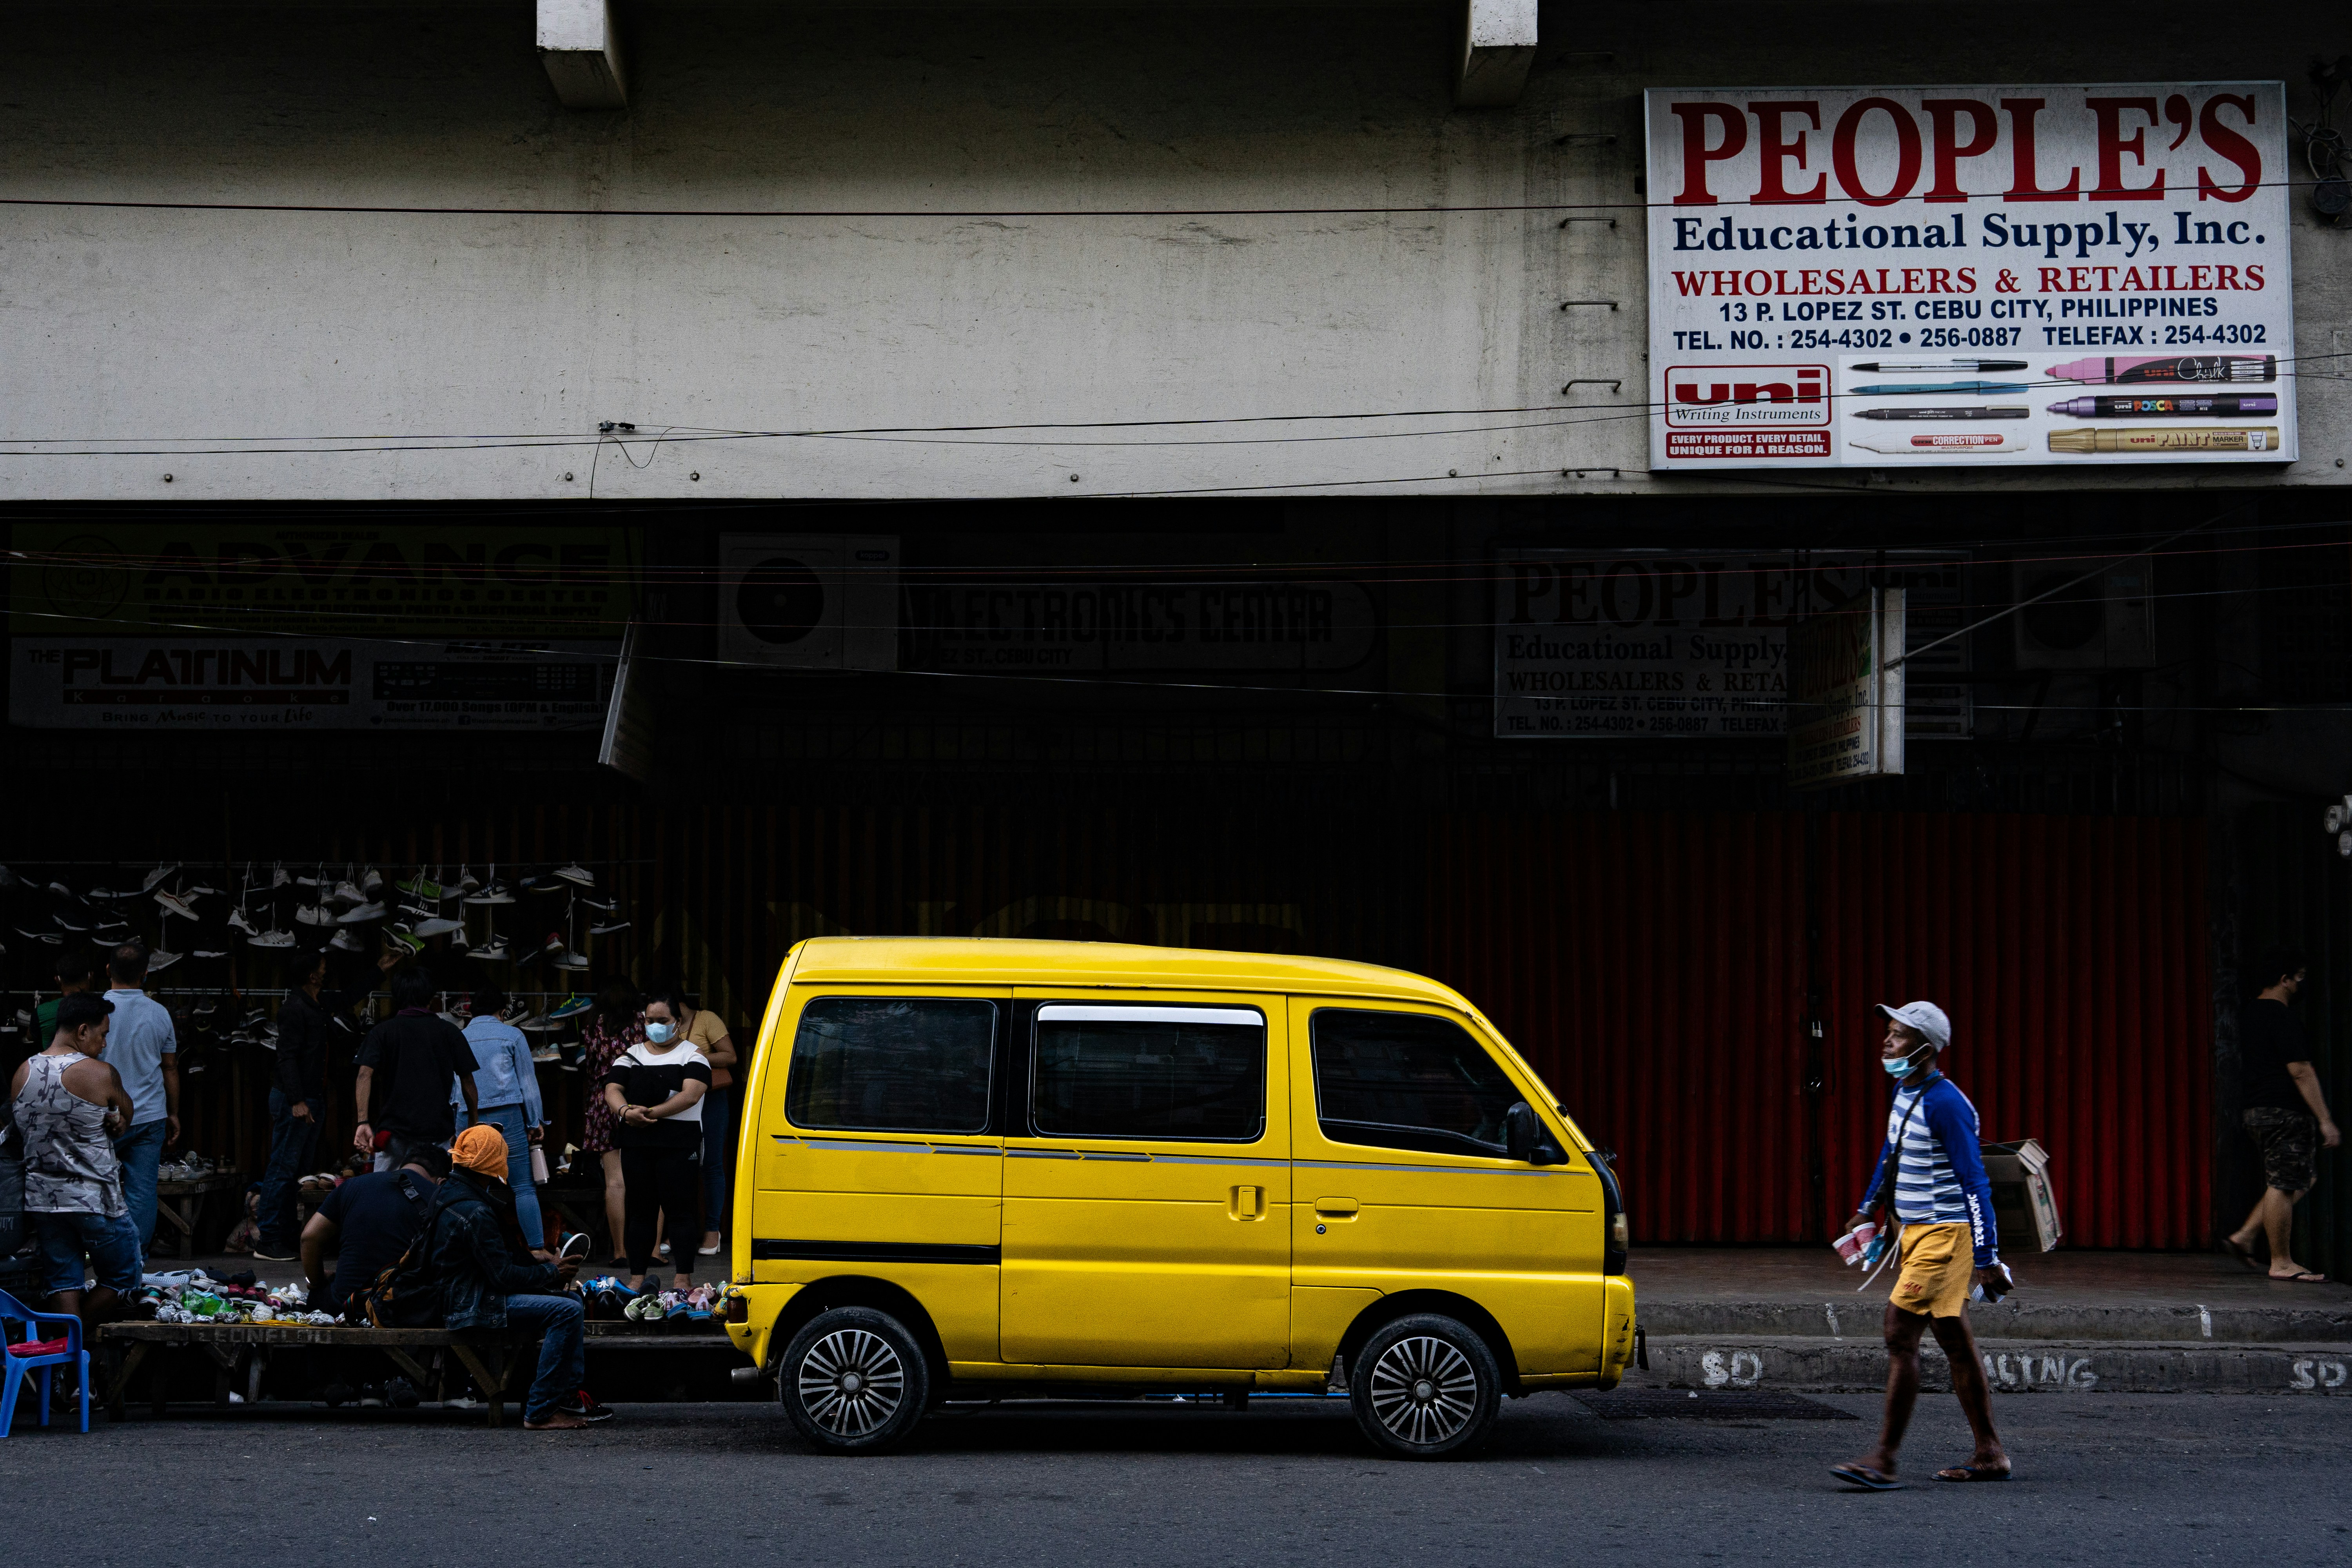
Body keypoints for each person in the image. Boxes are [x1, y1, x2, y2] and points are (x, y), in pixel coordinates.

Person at [1831, 1001, 2011, 1490]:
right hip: (1913, 1234)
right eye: (1888, 1033)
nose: (1887, 1042)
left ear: (1926, 1049)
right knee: (1954, 1342)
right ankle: (1990, 1452)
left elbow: (1975, 1184)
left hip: (1945, 1235)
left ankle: (1884, 1459)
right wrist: (1869, 1206)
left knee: (1899, 1330)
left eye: (1899, 1035)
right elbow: (1891, 1155)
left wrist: (1988, 1257)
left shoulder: (1947, 1103)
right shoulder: (1904, 1090)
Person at [417, 1124, 591, 1430]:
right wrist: (552, 1271)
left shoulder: (449, 1192)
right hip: (471, 1303)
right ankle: (540, 1411)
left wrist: (538, 1263)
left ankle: (566, 1395)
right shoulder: (476, 1211)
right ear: (493, 1167)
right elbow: (503, 1278)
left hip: (461, 1292)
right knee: (567, 1310)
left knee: (572, 1299)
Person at [10, 993, 142, 1325]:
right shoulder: (100, 1074)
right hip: (95, 1201)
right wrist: (118, 1120)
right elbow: (127, 1114)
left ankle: (65, 1361)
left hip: (43, 1201)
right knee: (125, 1275)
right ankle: (74, 1344)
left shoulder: (22, 1073)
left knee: (63, 1280)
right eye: (103, 1035)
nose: (104, 1044)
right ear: (83, 1031)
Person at [256, 948, 392, 1261]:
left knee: (297, 1171)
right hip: (297, 1100)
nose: (326, 971)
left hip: (308, 1098)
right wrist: (298, 1101)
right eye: (322, 967)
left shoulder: (315, 1003)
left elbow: (347, 997)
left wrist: (380, 967)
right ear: (312, 976)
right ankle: (268, 1239)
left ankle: (287, 1235)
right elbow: (287, 1056)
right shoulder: (295, 1009)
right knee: (283, 1168)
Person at [2223, 948, 2341, 1282]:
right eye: (2299, 979)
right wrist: (2326, 1120)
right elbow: (2301, 1071)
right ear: (2283, 979)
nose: (2301, 986)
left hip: (2257, 1110)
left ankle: (2245, 1236)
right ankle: (2282, 1262)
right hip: (2284, 1110)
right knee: (2284, 1183)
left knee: (2301, 1179)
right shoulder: (2280, 1015)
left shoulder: (2250, 1015)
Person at [601, 1012, 710, 1293]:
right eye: (650, 1019)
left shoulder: (694, 1055)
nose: (655, 1025)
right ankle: (637, 1279)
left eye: (662, 1018)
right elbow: (612, 1088)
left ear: (678, 1022)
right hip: (637, 1144)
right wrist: (625, 1111)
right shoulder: (631, 1054)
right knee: (641, 1212)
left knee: (680, 1212)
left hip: (679, 1144)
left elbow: (691, 1094)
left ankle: (683, 1279)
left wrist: (648, 1114)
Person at [302, 1139, 450, 1318]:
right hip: (400, 1309)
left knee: (318, 1296)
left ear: (404, 1166)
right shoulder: (439, 1196)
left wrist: (318, 1281)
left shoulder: (352, 1186)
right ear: (441, 1180)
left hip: (346, 1304)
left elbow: (309, 1238)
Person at [353, 964, 480, 1171]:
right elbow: (468, 1080)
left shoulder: (381, 1032)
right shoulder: (449, 1032)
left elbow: (364, 1075)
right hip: (436, 1132)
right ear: (431, 997)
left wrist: (362, 1122)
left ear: (397, 997)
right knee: (432, 1195)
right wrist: (474, 1121)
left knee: (386, 1194)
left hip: (394, 1132)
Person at [646, 986, 740, 1259]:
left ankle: (713, 1231)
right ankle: (677, 1233)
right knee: (678, 1165)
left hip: (710, 1100)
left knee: (710, 1164)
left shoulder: (706, 1019)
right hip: (676, 1100)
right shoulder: (662, 1027)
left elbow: (730, 1056)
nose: (658, 1020)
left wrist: (692, 1056)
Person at [101, 940, 179, 1269]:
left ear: (108, 971)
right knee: (142, 1190)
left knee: (95, 1184)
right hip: (149, 1114)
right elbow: (170, 1068)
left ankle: (101, 1255)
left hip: (104, 1114)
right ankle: (136, 1259)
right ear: (146, 974)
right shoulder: (159, 1013)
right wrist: (174, 1113)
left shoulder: (94, 1009)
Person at [458, 986, 547, 1250]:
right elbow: (528, 1084)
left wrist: (457, 1128)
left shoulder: (460, 1037)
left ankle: (476, 1251)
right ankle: (538, 1249)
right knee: (523, 1187)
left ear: (471, 1011)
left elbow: (455, 1089)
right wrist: (535, 1121)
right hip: (507, 1116)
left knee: (473, 1188)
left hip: (468, 1119)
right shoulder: (513, 1035)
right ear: (503, 1011)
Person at [579, 982, 644, 1264]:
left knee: (615, 1182)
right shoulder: (641, 1023)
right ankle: (650, 1249)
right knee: (645, 1178)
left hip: (603, 1101)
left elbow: (590, 1064)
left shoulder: (594, 1025)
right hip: (636, 1100)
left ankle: (619, 1251)